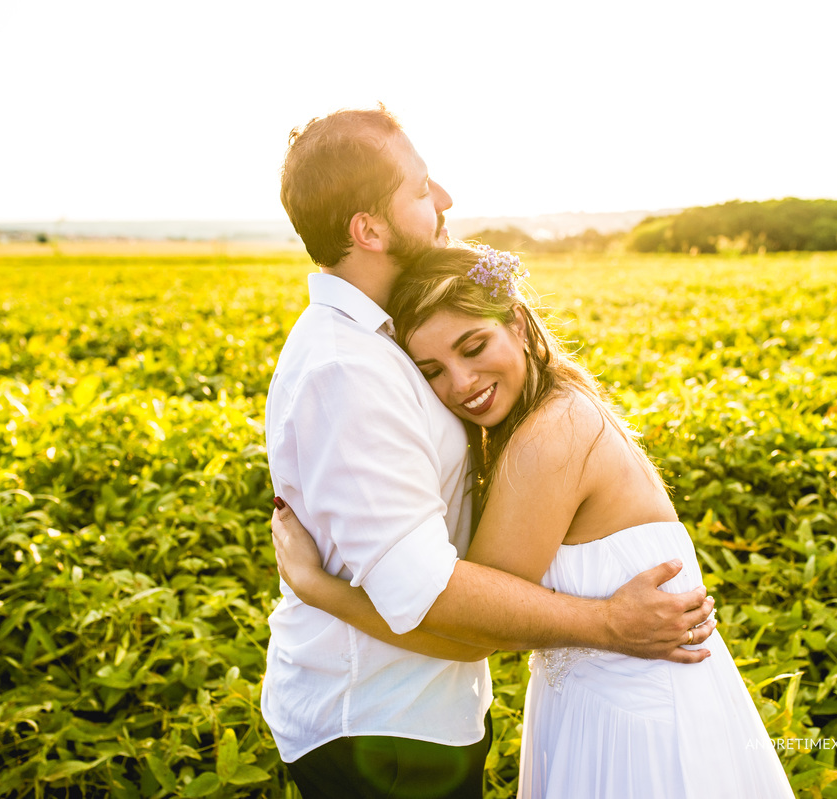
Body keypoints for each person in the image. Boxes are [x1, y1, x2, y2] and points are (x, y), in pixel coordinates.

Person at [263, 106, 718, 799]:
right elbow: (432, 595)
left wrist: (319, 585)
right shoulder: (347, 368)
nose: (444, 199)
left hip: (414, 713)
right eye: (419, 188)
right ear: (369, 228)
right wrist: (605, 622)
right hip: (380, 729)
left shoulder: (389, 339)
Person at [271, 244, 795, 798]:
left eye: (473, 347)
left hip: (633, 724)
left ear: (517, 322)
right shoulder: (553, 408)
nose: (462, 382)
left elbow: (470, 633)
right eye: (432, 372)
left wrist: (317, 588)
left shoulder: (551, 437)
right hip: (605, 705)